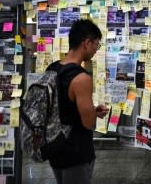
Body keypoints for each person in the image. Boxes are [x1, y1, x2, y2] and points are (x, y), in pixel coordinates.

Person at [47, 19, 109, 184]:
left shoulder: (52, 69)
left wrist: (92, 109)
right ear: (87, 43)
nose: (96, 49)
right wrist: (93, 114)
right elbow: (87, 123)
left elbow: (63, 107)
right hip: (76, 152)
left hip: (54, 148)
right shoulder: (81, 78)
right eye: (97, 44)